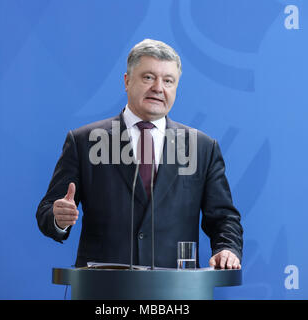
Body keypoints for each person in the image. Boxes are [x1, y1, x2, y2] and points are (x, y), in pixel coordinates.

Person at [36, 39, 243, 269]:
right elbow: (47, 211)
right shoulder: (84, 141)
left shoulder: (202, 147)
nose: (158, 88)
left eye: (168, 81)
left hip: (174, 293)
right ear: (126, 81)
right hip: (104, 292)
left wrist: (227, 248)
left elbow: (224, 218)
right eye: (148, 77)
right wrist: (58, 219)